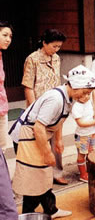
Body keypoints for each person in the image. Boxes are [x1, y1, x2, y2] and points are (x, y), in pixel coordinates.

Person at [11, 64, 95, 218]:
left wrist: (58, 140)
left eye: (89, 94)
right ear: (75, 86)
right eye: (85, 93)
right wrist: (47, 153)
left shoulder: (70, 98)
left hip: (39, 135)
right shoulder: (55, 99)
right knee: (34, 179)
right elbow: (39, 127)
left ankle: (51, 209)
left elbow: (58, 121)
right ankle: (28, 215)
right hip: (26, 136)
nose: (86, 97)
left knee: (44, 175)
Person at [20, 28, 68, 185]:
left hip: (55, 104)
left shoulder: (57, 59)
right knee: (39, 141)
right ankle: (40, 175)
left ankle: (57, 172)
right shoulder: (32, 59)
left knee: (57, 140)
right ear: (44, 43)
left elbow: (57, 82)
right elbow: (28, 86)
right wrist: (32, 108)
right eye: (54, 46)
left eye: (59, 47)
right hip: (39, 105)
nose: (56, 50)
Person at [0, 20, 18, 219]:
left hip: (2, 111)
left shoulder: (1, 55)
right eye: (5, 34)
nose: (8, 39)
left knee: (1, 153)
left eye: (10, 36)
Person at [71, 94, 95, 183]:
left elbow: (92, 115)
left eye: (88, 94)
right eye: (83, 95)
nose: (87, 97)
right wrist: (94, 122)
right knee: (82, 153)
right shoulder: (76, 107)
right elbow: (80, 123)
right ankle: (83, 174)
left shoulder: (89, 102)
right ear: (76, 96)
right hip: (82, 135)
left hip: (91, 133)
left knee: (90, 151)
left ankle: (90, 170)